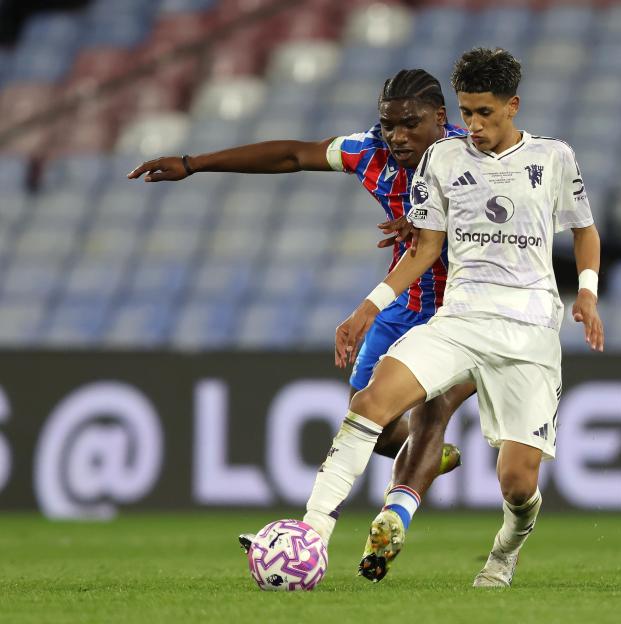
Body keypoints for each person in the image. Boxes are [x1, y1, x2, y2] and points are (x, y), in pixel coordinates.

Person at [127, 69, 474, 541]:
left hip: (464, 307)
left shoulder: (473, 155)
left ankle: (380, 518)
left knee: (433, 410)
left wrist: (439, 220)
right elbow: (293, 154)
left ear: (440, 117)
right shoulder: (369, 152)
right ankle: (430, 457)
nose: (397, 136)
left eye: (409, 123)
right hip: (403, 299)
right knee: (374, 424)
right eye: (389, 124)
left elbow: (513, 214)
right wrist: (193, 163)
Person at [305, 47, 604, 587]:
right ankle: (311, 533)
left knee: (516, 483)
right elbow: (422, 250)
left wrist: (587, 293)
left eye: (485, 113)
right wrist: (368, 308)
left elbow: (584, 229)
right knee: (370, 402)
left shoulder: (553, 158)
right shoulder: (443, 160)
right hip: (459, 319)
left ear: (512, 106)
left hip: (530, 332)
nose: (474, 125)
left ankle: (503, 554)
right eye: (466, 112)